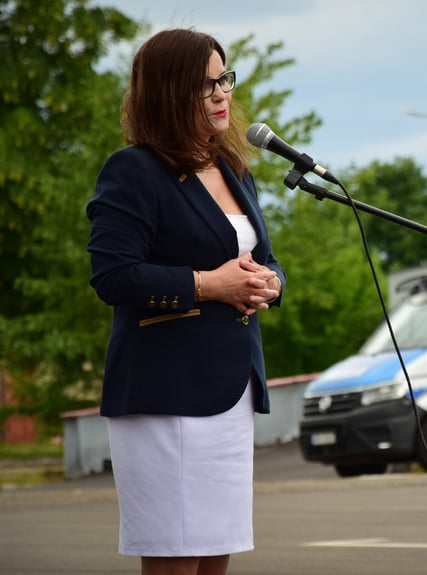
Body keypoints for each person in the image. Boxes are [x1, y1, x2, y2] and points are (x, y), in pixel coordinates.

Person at [86, 29, 285, 575]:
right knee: (176, 559)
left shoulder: (234, 169)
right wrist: (207, 284)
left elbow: (264, 259)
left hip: (231, 389)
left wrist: (271, 283)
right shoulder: (134, 170)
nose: (222, 94)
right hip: (166, 393)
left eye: (224, 78)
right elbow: (112, 275)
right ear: (169, 93)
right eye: (204, 85)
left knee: (217, 551)